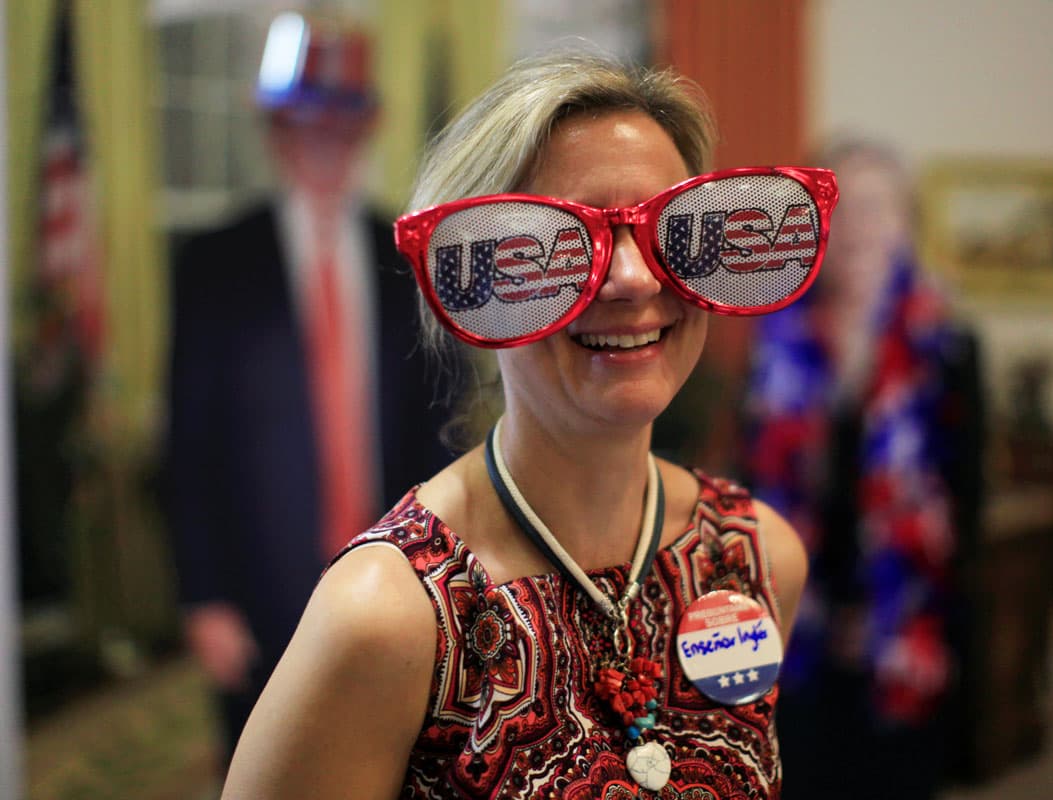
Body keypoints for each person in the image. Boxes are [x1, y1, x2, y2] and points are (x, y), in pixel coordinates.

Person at [219, 52, 835, 798]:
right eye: (560, 246)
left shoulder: (757, 557)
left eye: (670, 231)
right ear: (473, 290)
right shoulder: (389, 615)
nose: (635, 278)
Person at [166, 13, 456, 760]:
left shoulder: (400, 261)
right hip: (259, 582)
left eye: (341, 124)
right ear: (276, 131)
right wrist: (204, 597)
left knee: (388, 760)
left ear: (364, 132)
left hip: (388, 574)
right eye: (304, 124)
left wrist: (443, 572)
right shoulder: (217, 263)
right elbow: (188, 445)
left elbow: (433, 425)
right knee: (268, 764)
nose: (323, 143)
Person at [741, 137, 986, 799]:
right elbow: (749, 493)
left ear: (906, 223)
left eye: (878, 209)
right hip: (796, 632)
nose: (858, 228)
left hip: (907, 633)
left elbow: (966, 507)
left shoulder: (949, 348)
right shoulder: (776, 343)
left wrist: (886, 616)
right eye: (839, 210)